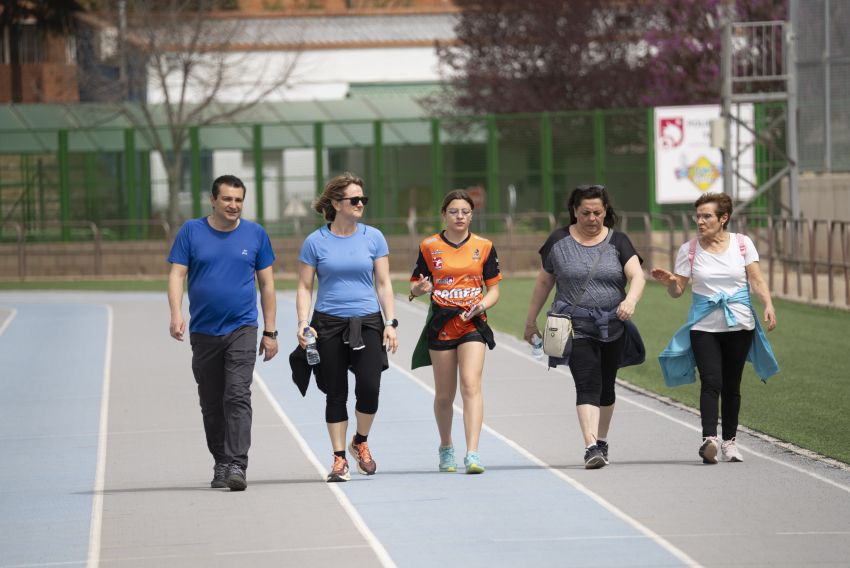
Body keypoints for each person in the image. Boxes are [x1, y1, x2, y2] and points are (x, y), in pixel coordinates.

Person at [167, 174, 278, 492]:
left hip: (242, 327)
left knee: (237, 394)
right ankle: (221, 461)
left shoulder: (256, 234)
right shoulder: (191, 231)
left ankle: (237, 464)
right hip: (203, 331)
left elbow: (267, 285)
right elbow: (177, 274)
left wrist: (270, 332)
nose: (234, 205)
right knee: (212, 401)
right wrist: (176, 313)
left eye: (239, 199)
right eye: (227, 199)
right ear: (213, 200)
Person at [524, 185, 645, 469]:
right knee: (586, 383)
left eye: (598, 213)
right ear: (574, 212)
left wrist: (630, 300)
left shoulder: (619, 241)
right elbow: (544, 282)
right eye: (585, 213)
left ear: (606, 212)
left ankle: (601, 440)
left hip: (613, 324)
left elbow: (637, 275)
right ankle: (590, 446)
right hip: (572, 323)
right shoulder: (558, 241)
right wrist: (531, 321)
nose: (592, 218)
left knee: (607, 388)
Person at [652, 192, 778, 464]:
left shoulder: (743, 244)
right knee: (711, 381)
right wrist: (671, 282)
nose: (700, 221)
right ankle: (709, 439)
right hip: (703, 326)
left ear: (724, 218)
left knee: (732, 385)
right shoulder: (689, 250)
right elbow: (678, 291)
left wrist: (767, 304)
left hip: (740, 324)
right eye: (697, 216)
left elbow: (756, 280)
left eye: (706, 216)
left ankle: (730, 442)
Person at [295, 172, 397, 483]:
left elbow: (384, 284)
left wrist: (390, 322)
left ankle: (360, 441)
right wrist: (303, 323)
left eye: (363, 199)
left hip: (367, 322)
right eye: (354, 200)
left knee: (369, 387)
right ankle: (339, 458)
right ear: (336, 203)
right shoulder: (315, 242)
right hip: (327, 324)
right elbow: (303, 286)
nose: (360, 204)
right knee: (335, 392)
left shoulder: (373, 237)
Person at [409, 189, 501, 474]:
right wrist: (419, 289)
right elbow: (413, 287)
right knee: (445, 395)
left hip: (473, 324)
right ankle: (446, 446)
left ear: (472, 215)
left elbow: (494, 289)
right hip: (442, 325)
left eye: (465, 212)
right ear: (444, 215)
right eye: (454, 211)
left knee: (471, 385)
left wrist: (481, 304)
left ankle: (472, 453)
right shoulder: (429, 246)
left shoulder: (484, 246)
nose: (459, 216)